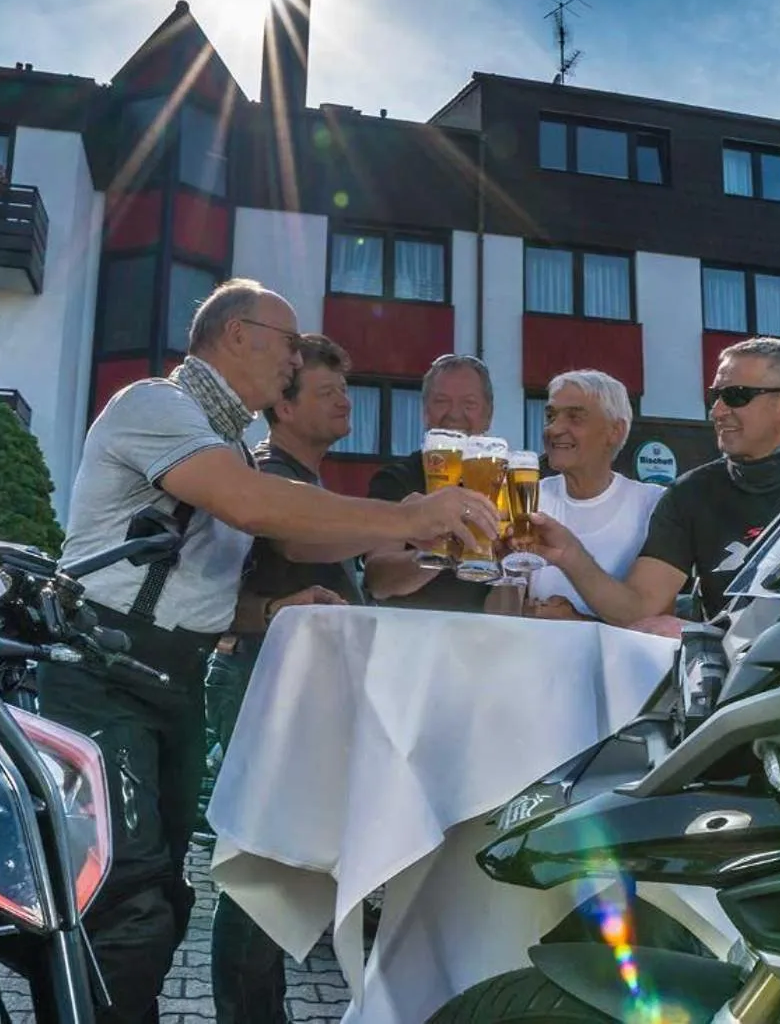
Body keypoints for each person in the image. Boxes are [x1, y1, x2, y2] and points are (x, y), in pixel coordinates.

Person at [43, 279, 499, 1023]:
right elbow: (253, 507)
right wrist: (408, 514)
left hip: (171, 679)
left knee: (160, 893)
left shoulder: (224, 444)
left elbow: (260, 556)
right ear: (235, 334)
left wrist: (276, 603)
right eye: (288, 343)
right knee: (127, 898)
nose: (294, 360)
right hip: (103, 672)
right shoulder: (156, 406)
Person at [207, 333, 365, 1024]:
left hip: (286, 687)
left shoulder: (304, 479)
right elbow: (299, 543)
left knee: (274, 862)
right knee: (261, 865)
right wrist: (409, 524)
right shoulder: (273, 472)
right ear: (286, 406)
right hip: (261, 683)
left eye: (345, 389)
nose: (345, 401)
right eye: (327, 391)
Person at [527, 337, 780, 633]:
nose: (717, 411)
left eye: (736, 396)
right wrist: (568, 553)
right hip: (745, 676)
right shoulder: (691, 493)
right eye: (715, 397)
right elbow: (641, 612)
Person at [509, 370, 665, 621]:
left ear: (615, 430)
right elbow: (498, 613)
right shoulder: (530, 496)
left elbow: (658, 622)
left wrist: (579, 623)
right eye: (550, 416)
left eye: (574, 418)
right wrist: (507, 574)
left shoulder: (653, 504)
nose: (555, 429)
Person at [362, 353, 501, 613]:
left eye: (469, 404)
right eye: (441, 402)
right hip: (409, 640)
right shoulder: (397, 478)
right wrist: (442, 554)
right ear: (426, 412)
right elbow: (377, 579)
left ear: (488, 415)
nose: (454, 414)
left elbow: (505, 603)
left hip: (479, 643)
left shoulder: (502, 484)